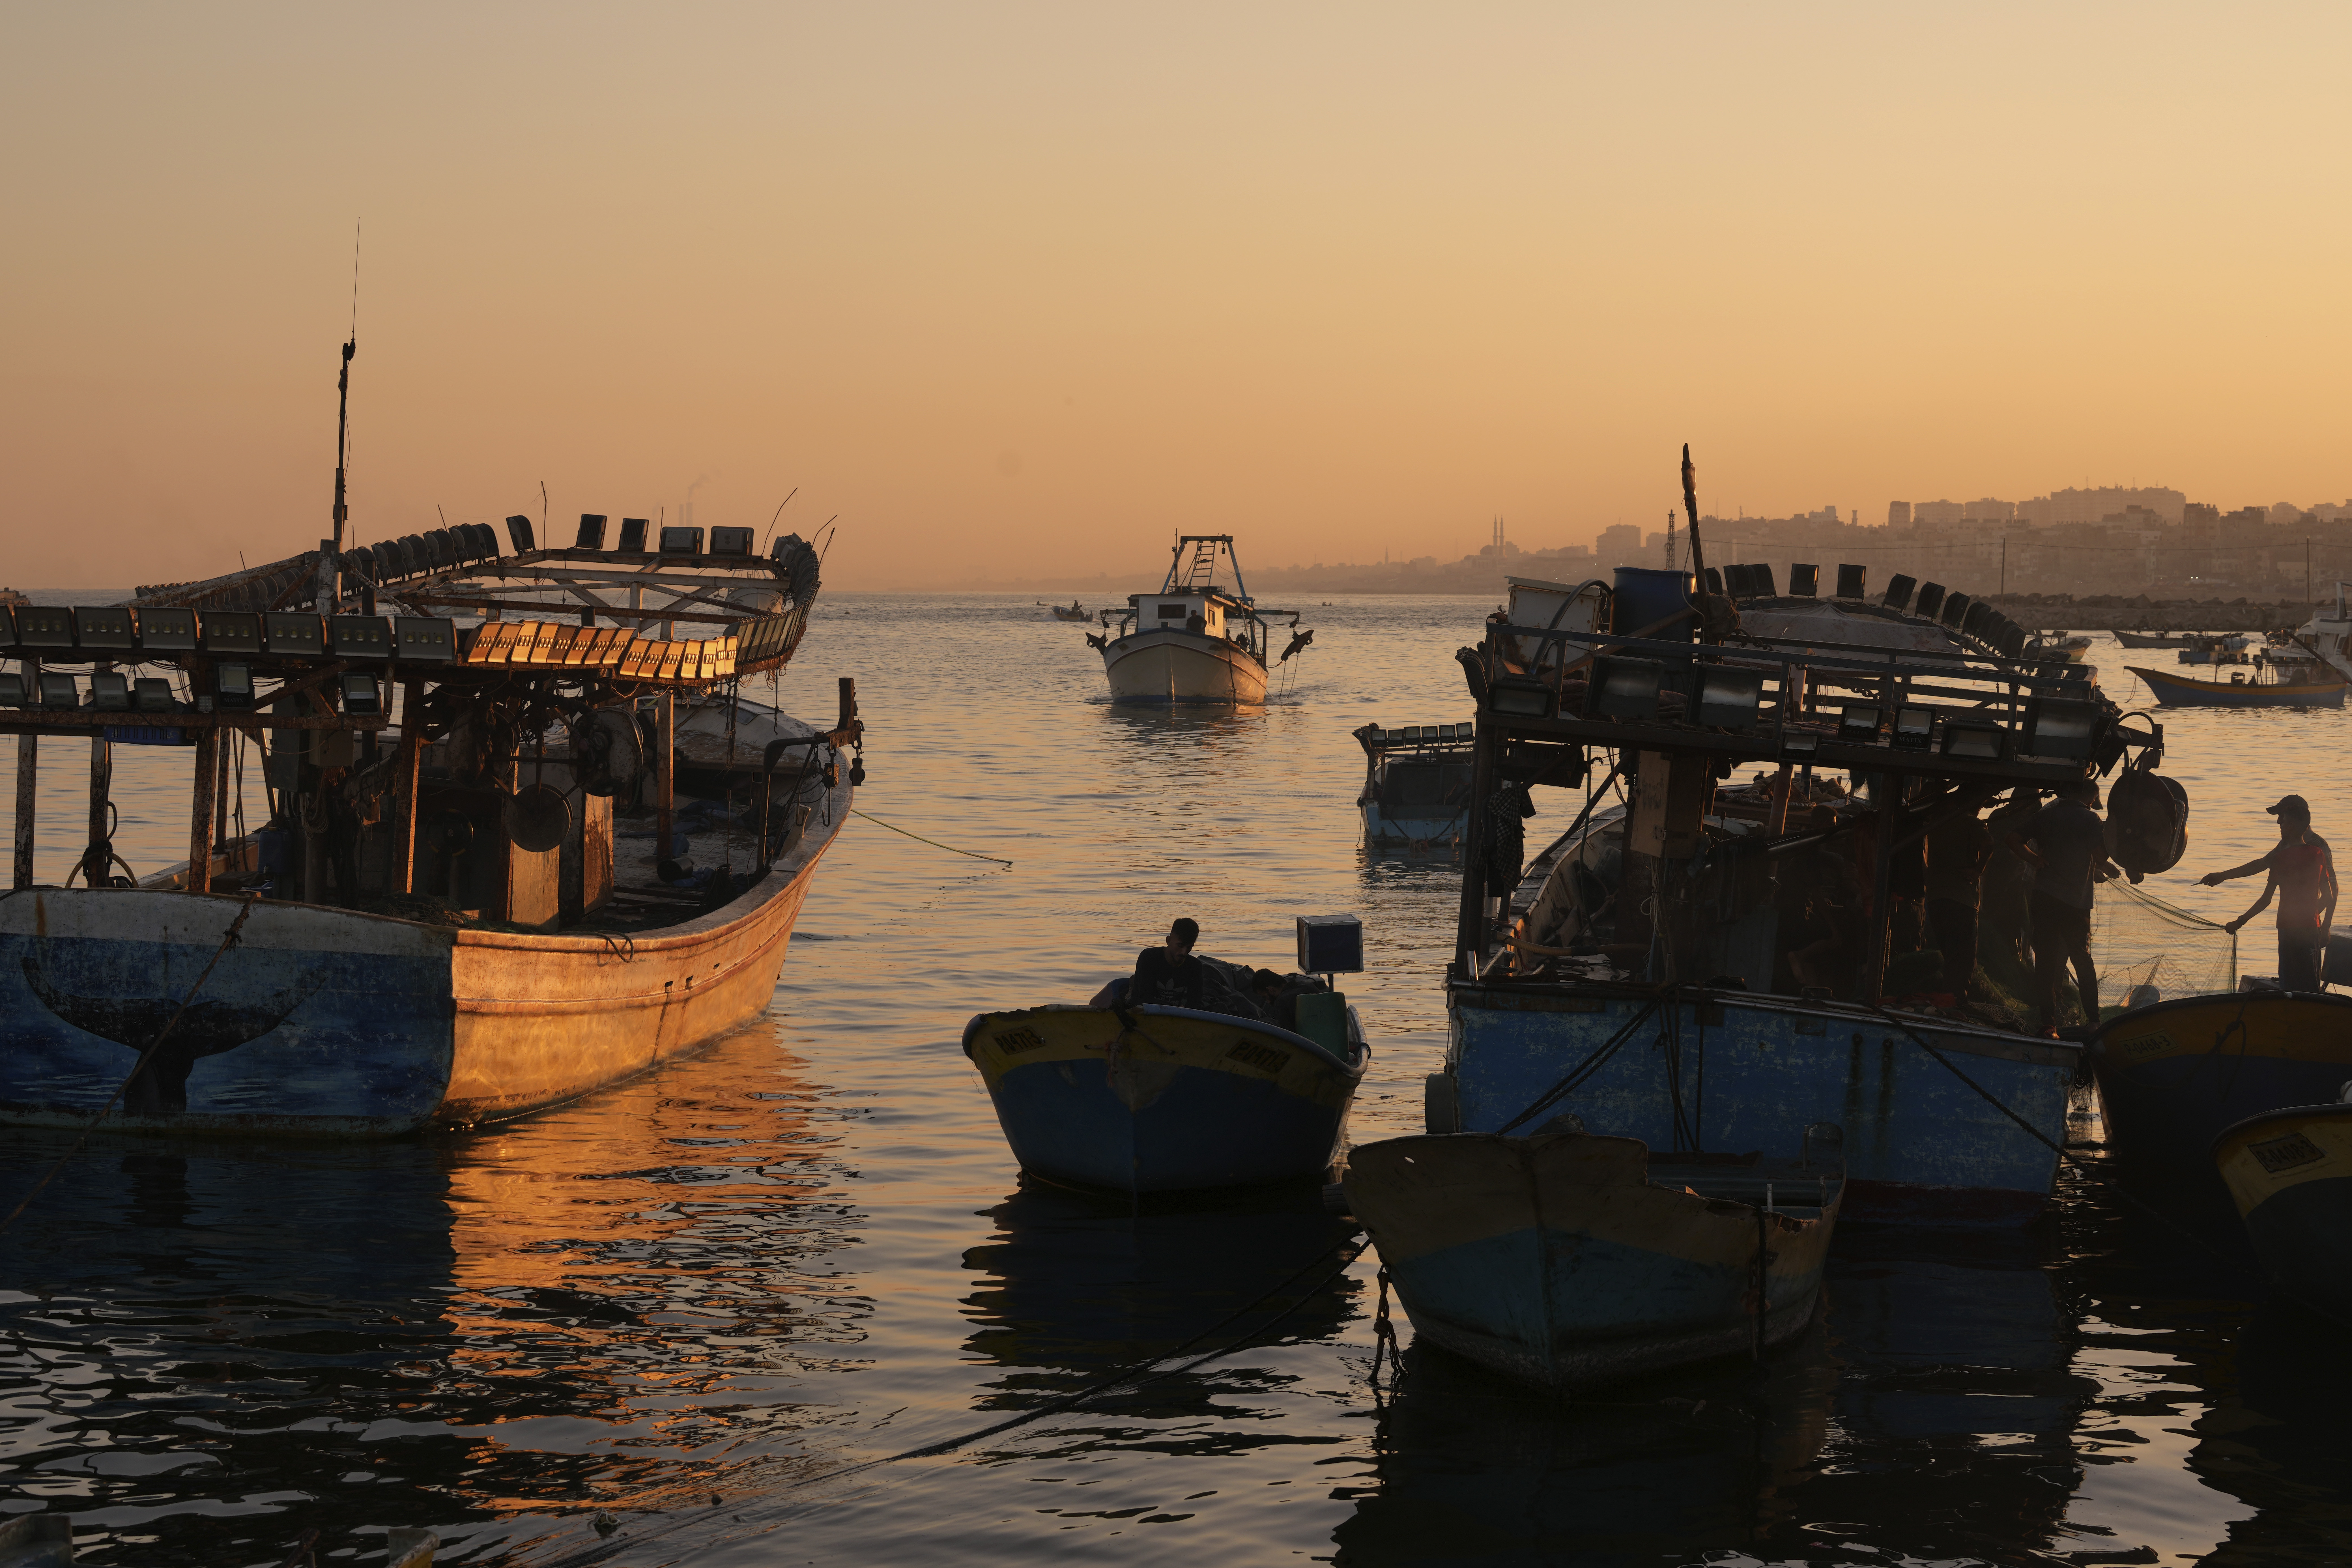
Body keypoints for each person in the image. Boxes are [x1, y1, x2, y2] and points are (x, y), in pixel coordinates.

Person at [2006, 778, 2119, 1034]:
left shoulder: (2046, 815)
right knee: (2082, 959)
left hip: (2043, 897)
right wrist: (2113, 840)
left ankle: (2049, 1024)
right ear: (2090, 798)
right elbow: (2100, 857)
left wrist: (2035, 860)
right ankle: (2094, 1021)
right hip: (2075, 903)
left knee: (2046, 961)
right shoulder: (2091, 820)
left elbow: (2012, 838)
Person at [2201, 794, 2337, 991]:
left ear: (2292, 820)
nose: (2278, 822)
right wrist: (2223, 876)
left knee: (2300, 983)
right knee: (2302, 982)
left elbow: (2334, 888)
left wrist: (2325, 926)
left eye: (2282, 817)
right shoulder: (2286, 847)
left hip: (2306, 927)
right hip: (2307, 925)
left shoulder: (2318, 847)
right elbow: (2261, 864)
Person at [1925, 802, 1996, 997]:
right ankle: (1954, 1005)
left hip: (1935, 898)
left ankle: (1947, 1000)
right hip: (1962, 900)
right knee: (1964, 959)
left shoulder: (1937, 822)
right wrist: (1978, 870)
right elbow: (1989, 843)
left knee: (1950, 955)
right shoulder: (1973, 823)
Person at [1091, 918, 1206, 1009]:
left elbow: (1196, 1003)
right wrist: (1175, 1009)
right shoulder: (1149, 957)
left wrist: (1186, 1010)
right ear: (1169, 941)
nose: (1184, 952)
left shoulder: (1195, 966)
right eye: (1180, 946)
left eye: (1189, 948)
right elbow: (1144, 998)